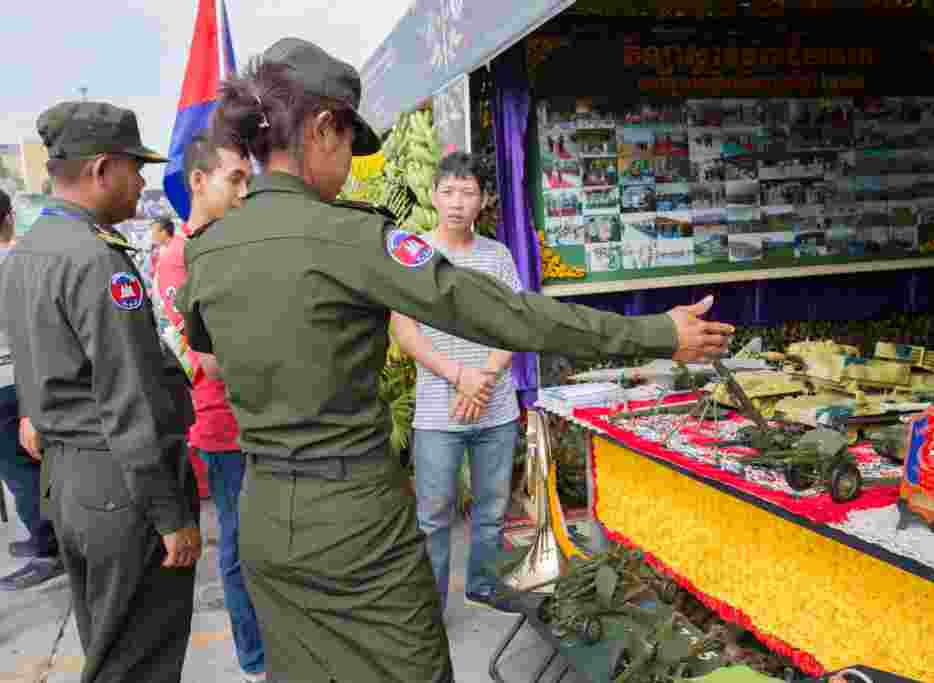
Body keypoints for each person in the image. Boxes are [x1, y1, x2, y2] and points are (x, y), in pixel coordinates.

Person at [176, 37, 733, 683]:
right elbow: (506, 314)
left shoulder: (209, 247)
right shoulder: (349, 236)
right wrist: (655, 333)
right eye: (347, 145)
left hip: (264, 513)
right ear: (323, 127)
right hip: (356, 521)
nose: (349, 168)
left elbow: (209, 353)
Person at [0, 101, 201, 683]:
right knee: (139, 660)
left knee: (109, 644)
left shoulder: (29, 254)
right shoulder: (95, 259)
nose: (140, 183)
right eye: (134, 168)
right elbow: (130, 399)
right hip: (120, 483)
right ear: (101, 169)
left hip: (70, 482)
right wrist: (170, 515)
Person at [156, 132, 266, 682]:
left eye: (249, 179)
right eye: (235, 180)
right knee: (240, 551)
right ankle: (254, 660)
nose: (245, 191)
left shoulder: (234, 245)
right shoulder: (179, 261)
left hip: (261, 419)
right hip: (224, 427)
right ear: (198, 182)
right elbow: (211, 356)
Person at [390, 152, 521, 613]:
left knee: (491, 511)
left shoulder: (497, 256)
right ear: (433, 196)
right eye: (448, 192)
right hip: (436, 412)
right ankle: (431, 605)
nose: (457, 202)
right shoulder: (414, 254)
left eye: (467, 193)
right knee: (432, 515)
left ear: (482, 201)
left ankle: (484, 584)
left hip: (497, 408)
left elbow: (516, 324)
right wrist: (459, 376)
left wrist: (481, 380)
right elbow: (405, 331)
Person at [0, 189, 66, 591]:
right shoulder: (23, 261)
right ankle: (45, 537)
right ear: (8, 215)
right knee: (30, 465)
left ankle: (48, 548)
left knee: (20, 471)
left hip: (8, 382)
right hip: (23, 378)